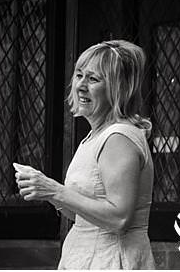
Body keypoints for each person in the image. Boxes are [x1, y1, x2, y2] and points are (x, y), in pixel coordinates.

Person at [15, 40, 155, 269]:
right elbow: (83, 214)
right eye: (79, 75)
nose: (80, 85)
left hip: (111, 261)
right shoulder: (95, 137)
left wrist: (55, 189)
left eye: (93, 79)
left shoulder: (117, 138)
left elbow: (119, 218)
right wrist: (46, 192)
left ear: (117, 89)